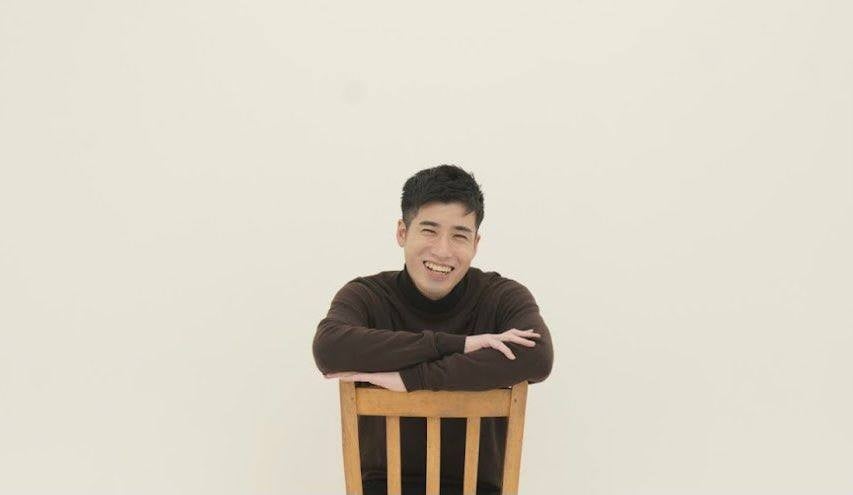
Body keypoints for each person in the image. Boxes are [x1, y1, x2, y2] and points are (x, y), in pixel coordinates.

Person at [312, 164, 554, 495]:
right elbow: (329, 349)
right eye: (429, 230)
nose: (442, 250)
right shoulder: (366, 296)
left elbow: (537, 356)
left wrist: (412, 380)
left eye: (459, 235)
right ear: (402, 232)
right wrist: (460, 344)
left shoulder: (501, 297)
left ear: (476, 243)